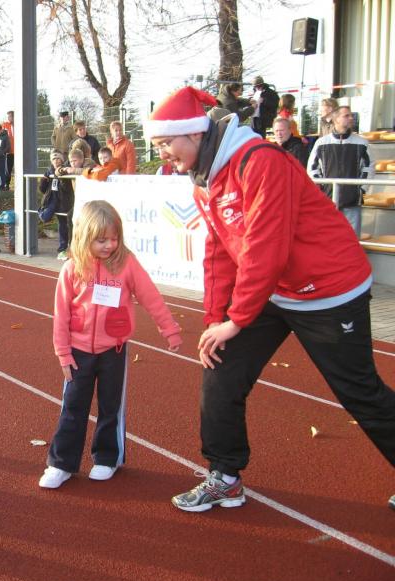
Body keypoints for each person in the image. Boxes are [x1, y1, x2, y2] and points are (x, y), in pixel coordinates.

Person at [144, 86, 395, 512]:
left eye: (166, 142)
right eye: (157, 146)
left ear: (195, 133)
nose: (163, 153)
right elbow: (220, 251)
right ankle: (224, 476)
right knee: (219, 366)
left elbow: (266, 248)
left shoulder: (260, 161)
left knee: (360, 392)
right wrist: (215, 319)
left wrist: (237, 319)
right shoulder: (205, 180)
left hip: (328, 290)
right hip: (274, 289)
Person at [38, 200, 182, 489]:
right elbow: (61, 315)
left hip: (113, 351)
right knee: (72, 407)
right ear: (84, 237)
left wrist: (170, 330)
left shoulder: (127, 264)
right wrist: (63, 353)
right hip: (78, 353)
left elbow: (151, 297)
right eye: (101, 240)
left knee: (111, 406)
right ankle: (61, 463)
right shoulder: (72, 269)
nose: (109, 245)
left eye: (114, 238)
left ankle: (107, 458)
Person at [307, 105, 372, 237]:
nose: (351, 118)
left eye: (351, 115)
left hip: (352, 202)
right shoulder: (321, 143)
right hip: (328, 202)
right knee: (327, 239)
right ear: (336, 119)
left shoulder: (362, 143)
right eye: (346, 115)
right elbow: (312, 169)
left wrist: (361, 189)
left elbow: (369, 167)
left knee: (352, 240)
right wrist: (322, 190)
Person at [39, 151, 74, 260]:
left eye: (58, 158)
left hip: (63, 201)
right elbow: (42, 189)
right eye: (53, 159)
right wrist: (44, 180)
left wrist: (61, 178)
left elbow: (67, 189)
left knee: (64, 225)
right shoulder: (49, 171)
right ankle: (40, 210)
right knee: (45, 217)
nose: (56, 161)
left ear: (62, 160)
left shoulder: (65, 170)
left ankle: (63, 249)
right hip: (52, 200)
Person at [3, 111, 15, 184]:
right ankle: (6, 184)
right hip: (9, 151)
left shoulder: (20, 125)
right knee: (8, 169)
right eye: (8, 117)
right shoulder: (5, 125)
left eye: (10, 116)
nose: (8, 118)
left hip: (19, 151)